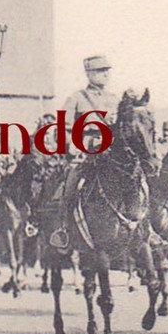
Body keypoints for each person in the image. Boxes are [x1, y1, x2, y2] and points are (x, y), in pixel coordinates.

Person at [51, 54, 122, 250]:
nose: (106, 74)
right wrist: (73, 145)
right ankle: (63, 228)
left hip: (111, 154)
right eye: (100, 71)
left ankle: (143, 230)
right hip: (85, 154)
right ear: (89, 74)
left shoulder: (115, 99)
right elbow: (62, 129)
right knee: (71, 183)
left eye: (107, 70)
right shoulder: (76, 99)